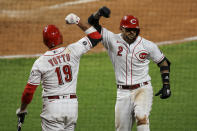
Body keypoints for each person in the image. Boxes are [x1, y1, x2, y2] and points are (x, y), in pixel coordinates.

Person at [88, 7, 171, 131]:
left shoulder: (148, 45)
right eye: (129, 29)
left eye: (135, 30)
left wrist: (166, 85)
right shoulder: (111, 39)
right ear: (121, 28)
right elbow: (92, 23)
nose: (132, 32)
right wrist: (99, 13)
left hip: (142, 89)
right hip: (122, 93)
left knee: (141, 116)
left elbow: (163, 62)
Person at [16, 13, 102, 131]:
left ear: (45, 41)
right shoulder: (73, 50)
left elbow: (28, 92)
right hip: (71, 107)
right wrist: (77, 21)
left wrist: (22, 109)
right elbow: (96, 36)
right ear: (60, 37)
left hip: (52, 108)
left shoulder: (40, 62)